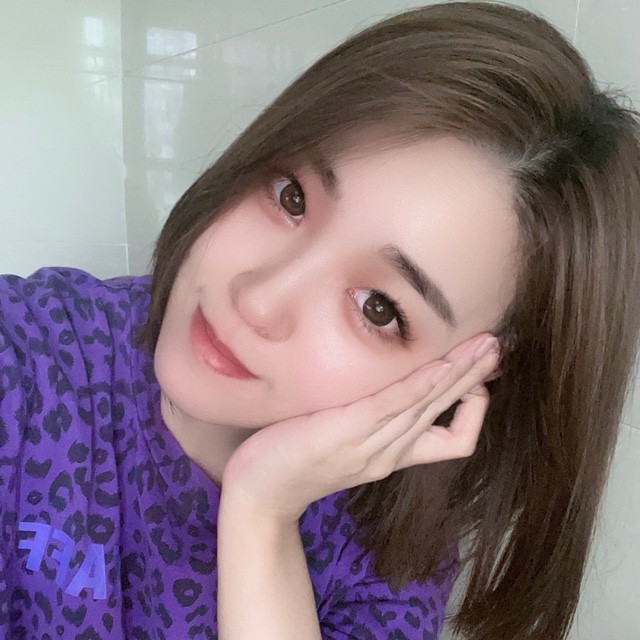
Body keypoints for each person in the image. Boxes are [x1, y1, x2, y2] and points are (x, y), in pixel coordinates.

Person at [1, 1, 639, 638]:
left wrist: (262, 513)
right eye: (291, 196)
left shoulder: (390, 550)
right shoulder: (32, 359)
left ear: (472, 372)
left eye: (378, 308)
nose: (258, 299)